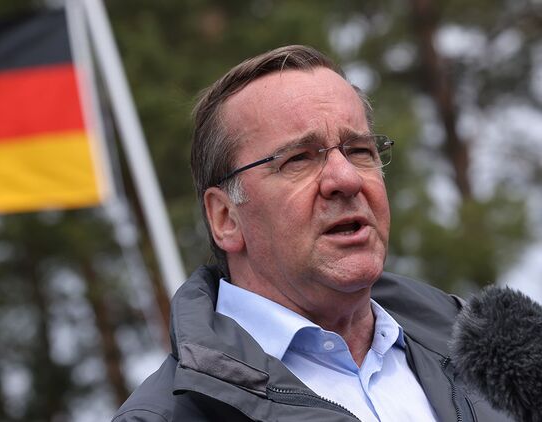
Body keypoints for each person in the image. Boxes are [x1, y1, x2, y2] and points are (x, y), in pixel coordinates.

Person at [112, 45, 510, 421]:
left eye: (359, 151)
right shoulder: (167, 416)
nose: (346, 179)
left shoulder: (492, 352)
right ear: (225, 218)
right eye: (299, 159)